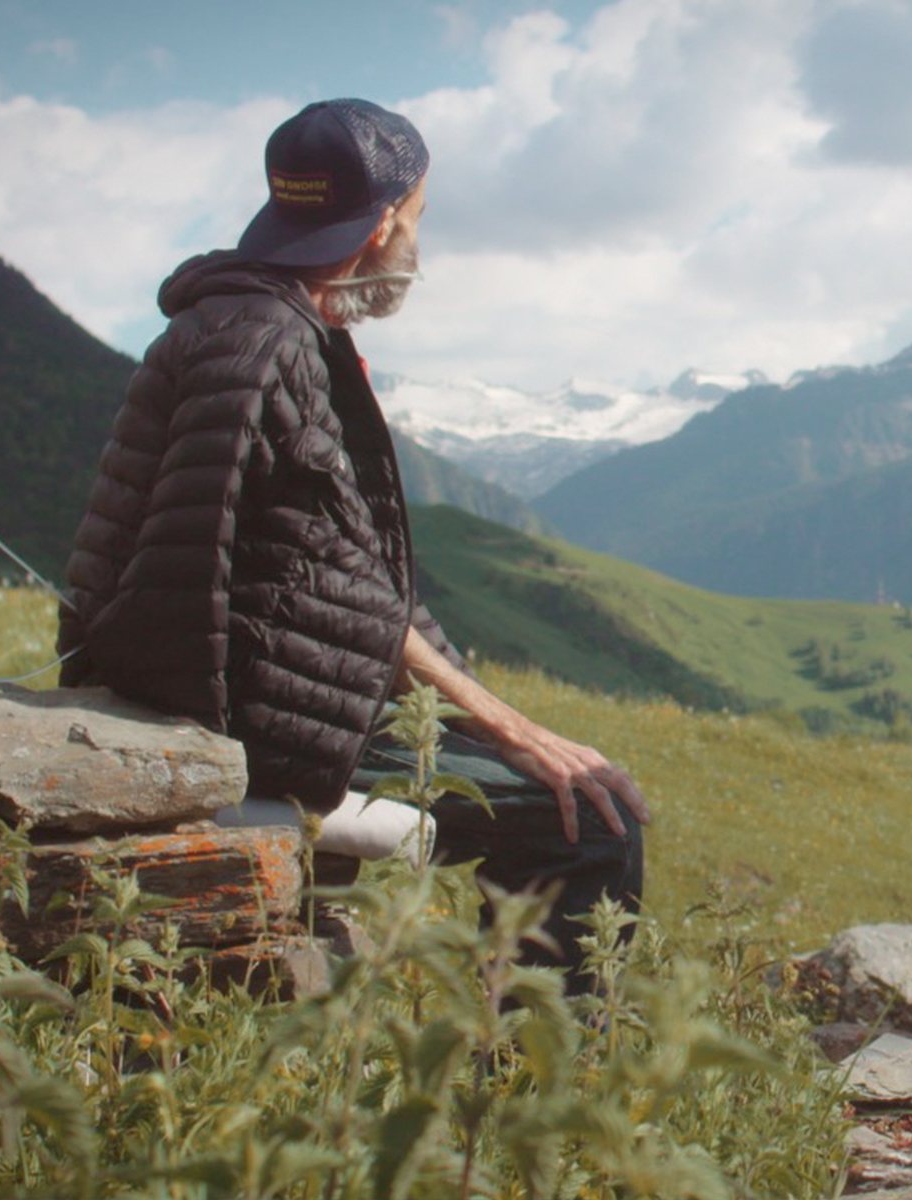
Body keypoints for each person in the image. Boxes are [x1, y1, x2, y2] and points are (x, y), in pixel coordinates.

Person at [57, 98, 648, 984]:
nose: (416, 237)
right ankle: (543, 1101)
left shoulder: (245, 324)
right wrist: (507, 730)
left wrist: (500, 724)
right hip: (245, 714)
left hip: (262, 688)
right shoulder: (269, 345)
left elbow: (353, 576)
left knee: (557, 782)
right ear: (381, 226)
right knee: (591, 824)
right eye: (416, 216)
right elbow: (308, 580)